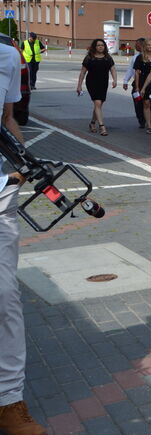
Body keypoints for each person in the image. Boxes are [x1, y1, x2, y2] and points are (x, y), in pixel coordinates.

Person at [0, 40, 45, 435]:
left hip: (0, 193)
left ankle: (9, 401)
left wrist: (27, 161)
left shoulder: (8, 56)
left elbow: (7, 118)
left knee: (5, 297)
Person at [76, 39, 116, 137]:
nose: (100, 47)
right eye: (98, 45)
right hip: (92, 82)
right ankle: (102, 126)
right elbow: (82, 72)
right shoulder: (89, 58)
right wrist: (79, 85)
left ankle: (92, 122)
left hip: (103, 83)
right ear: (94, 47)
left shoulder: (107, 58)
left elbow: (113, 69)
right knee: (97, 102)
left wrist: (115, 80)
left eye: (102, 45)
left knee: (99, 104)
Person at [134, 39, 151, 134]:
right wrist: (137, 87)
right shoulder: (140, 57)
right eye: (148, 44)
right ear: (145, 46)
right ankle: (149, 125)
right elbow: (136, 73)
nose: (150, 46)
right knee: (146, 103)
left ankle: (149, 117)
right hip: (143, 82)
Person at [122, 37, 147, 128]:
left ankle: (148, 118)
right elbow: (130, 70)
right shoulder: (135, 57)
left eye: (136, 44)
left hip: (148, 84)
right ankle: (142, 120)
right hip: (137, 84)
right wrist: (125, 81)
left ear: (141, 45)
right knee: (138, 103)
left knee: (148, 103)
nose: (135, 46)